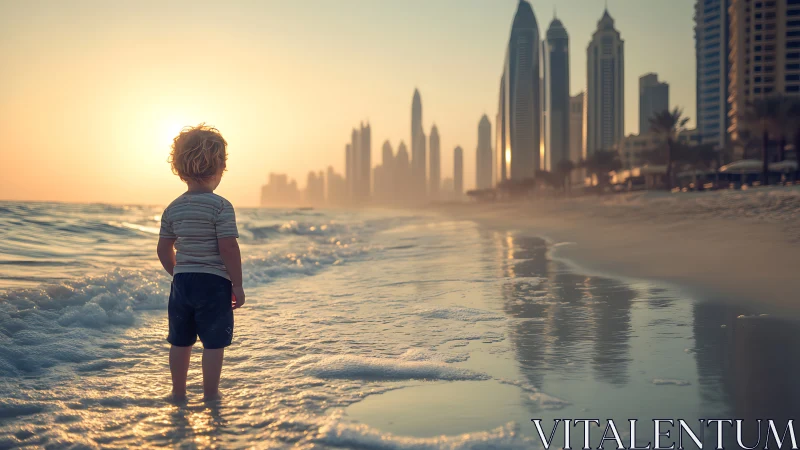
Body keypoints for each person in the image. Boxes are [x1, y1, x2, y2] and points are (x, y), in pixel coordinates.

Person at [156, 123, 245, 402]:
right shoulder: (220, 206)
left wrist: (179, 271)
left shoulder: (172, 207)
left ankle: (178, 392)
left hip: (182, 282)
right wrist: (237, 284)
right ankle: (210, 395)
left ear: (180, 169)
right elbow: (228, 247)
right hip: (213, 283)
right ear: (219, 168)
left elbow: (162, 249)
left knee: (180, 340)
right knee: (213, 342)